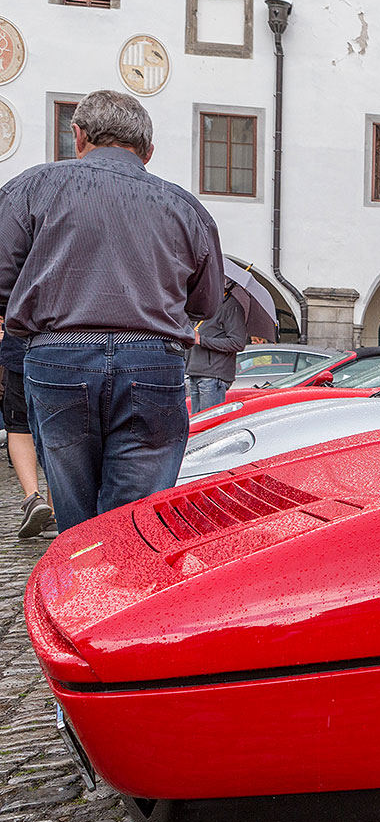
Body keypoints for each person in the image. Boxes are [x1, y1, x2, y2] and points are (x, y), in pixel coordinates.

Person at [0, 89, 222, 533]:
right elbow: (206, 303)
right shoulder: (184, 206)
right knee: (135, 523)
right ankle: (128, 591)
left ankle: (82, 583)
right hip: (151, 361)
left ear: (77, 136)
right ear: (148, 152)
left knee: (76, 515)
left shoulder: (32, 187)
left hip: (58, 358)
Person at [0, 326, 54, 539]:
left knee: (20, 428)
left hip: (21, 349)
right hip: (63, 350)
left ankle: (33, 497)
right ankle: (55, 512)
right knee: (57, 429)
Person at [186, 284, 248, 413]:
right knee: (197, 424)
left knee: (208, 423)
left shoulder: (231, 307)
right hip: (196, 372)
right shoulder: (205, 306)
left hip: (213, 375)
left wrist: (202, 340)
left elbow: (238, 343)